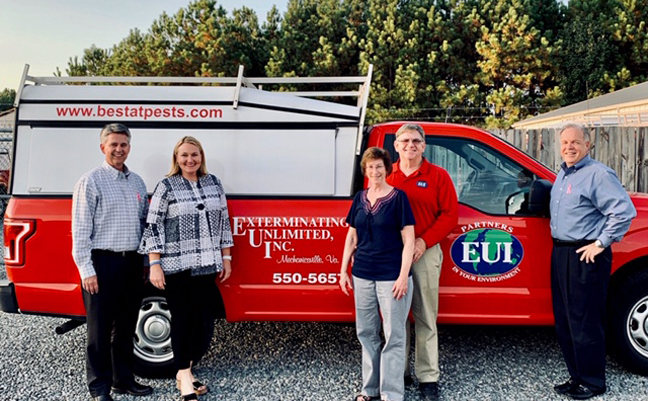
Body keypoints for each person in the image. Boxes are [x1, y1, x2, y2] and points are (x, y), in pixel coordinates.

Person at [139, 136, 234, 401]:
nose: (190, 160)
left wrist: (226, 258)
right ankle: (184, 377)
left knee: (201, 324)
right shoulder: (167, 186)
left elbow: (224, 222)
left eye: (194, 155)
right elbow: (154, 226)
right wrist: (154, 264)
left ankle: (186, 371)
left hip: (206, 265)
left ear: (201, 157)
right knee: (181, 321)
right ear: (176, 159)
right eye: (184, 155)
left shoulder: (213, 183)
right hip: (176, 265)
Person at [550, 123, 636, 400]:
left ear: (588, 145)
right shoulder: (563, 174)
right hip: (562, 253)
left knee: (585, 321)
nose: (569, 147)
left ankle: (593, 381)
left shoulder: (598, 174)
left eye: (575, 142)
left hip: (585, 255)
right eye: (565, 143)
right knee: (566, 321)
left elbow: (623, 211)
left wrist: (600, 244)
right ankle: (577, 377)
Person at [72, 123, 153, 401]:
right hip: (102, 264)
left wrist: (143, 263)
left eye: (124, 144)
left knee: (126, 327)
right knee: (99, 330)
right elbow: (80, 230)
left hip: (131, 263)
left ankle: (123, 380)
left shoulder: (138, 182)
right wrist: (87, 270)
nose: (119, 149)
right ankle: (99, 387)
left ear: (130, 147)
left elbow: (144, 225)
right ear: (103, 147)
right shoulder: (90, 181)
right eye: (114, 144)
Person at [385, 124, 458, 401]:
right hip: (392, 255)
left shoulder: (438, 176)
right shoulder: (384, 174)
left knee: (426, 317)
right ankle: (398, 372)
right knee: (395, 317)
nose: (410, 145)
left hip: (425, 253)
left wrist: (422, 242)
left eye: (416, 141)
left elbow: (450, 215)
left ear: (424, 146)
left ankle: (428, 377)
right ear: (396, 145)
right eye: (404, 141)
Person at [339, 147, 416, 401]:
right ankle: (369, 389)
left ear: (387, 169)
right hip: (362, 273)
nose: (375, 171)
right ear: (365, 170)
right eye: (370, 167)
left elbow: (409, 240)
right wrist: (343, 270)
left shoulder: (398, 198)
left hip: (391, 276)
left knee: (393, 335)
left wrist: (404, 275)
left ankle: (391, 394)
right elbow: (352, 236)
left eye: (379, 166)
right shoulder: (360, 198)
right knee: (366, 332)